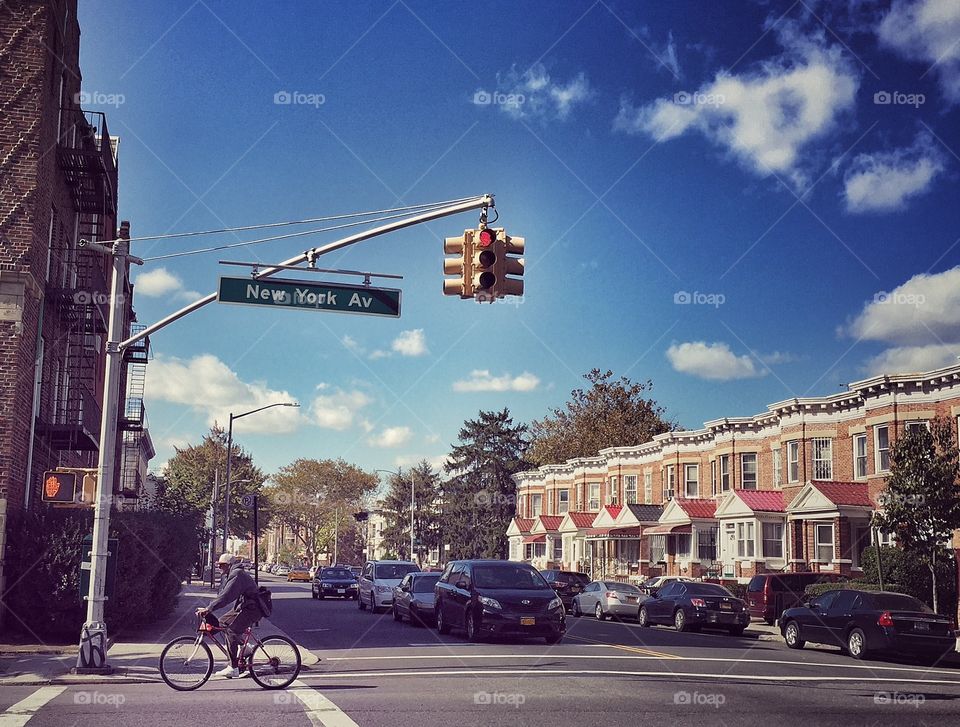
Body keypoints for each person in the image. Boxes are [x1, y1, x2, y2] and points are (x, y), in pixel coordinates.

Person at [197, 553, 262, 678]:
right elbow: (222, 593)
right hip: (245, 607)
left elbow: (226, 596)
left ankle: (233, 667)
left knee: (231, 631)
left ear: (229, 565)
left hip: (253, 609)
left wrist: (209, 608)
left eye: (221, 566)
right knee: (221, 623)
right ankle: (245, 647)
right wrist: (208, 609)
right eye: (218, 566)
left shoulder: (237, 574)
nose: (219, 568)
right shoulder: (231, 574)